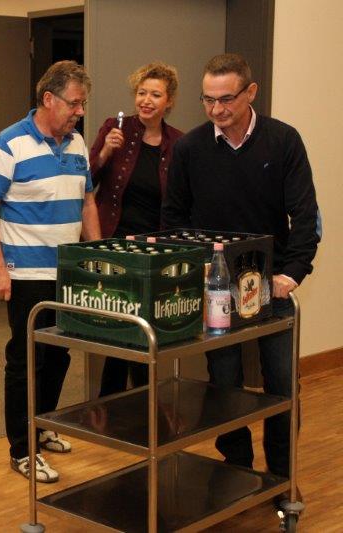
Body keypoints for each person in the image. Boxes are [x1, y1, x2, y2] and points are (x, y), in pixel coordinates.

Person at [162, 53, 320, 507]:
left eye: (226, 99)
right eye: (208, 100)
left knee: (282, 386)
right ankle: (237, 470)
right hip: (216, 290)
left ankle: (282, 479)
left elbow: (305, 216)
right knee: (224, 385)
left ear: (251, 92)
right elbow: (174, 219)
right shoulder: (190, 148)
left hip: (272, 288)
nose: (217, 109)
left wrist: (291, 273)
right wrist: (194, 269)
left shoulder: (283, 140)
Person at [0, 60, 101, 483]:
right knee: (27, 359)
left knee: (59, 353)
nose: (80, 111)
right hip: (26, 274)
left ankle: (43, 426)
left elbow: (87, 203)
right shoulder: (7, 144)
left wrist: (98, 255)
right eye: (74, 103)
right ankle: (21, 449)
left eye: (83, 103)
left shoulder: (78, 144)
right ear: (49, 98)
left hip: (67, 272)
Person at [88, 62, 183, 397]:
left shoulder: (177, 142)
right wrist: (105, 151)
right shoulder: (116, 129)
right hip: (116, 243)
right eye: (142, 93)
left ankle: (140, 399)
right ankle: (113, 400)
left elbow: (179, 198)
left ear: (169, 102)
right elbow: (87, 180)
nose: (146, 100)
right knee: (119, 326)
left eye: (155, 94)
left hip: (153, 248)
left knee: (146, 329)